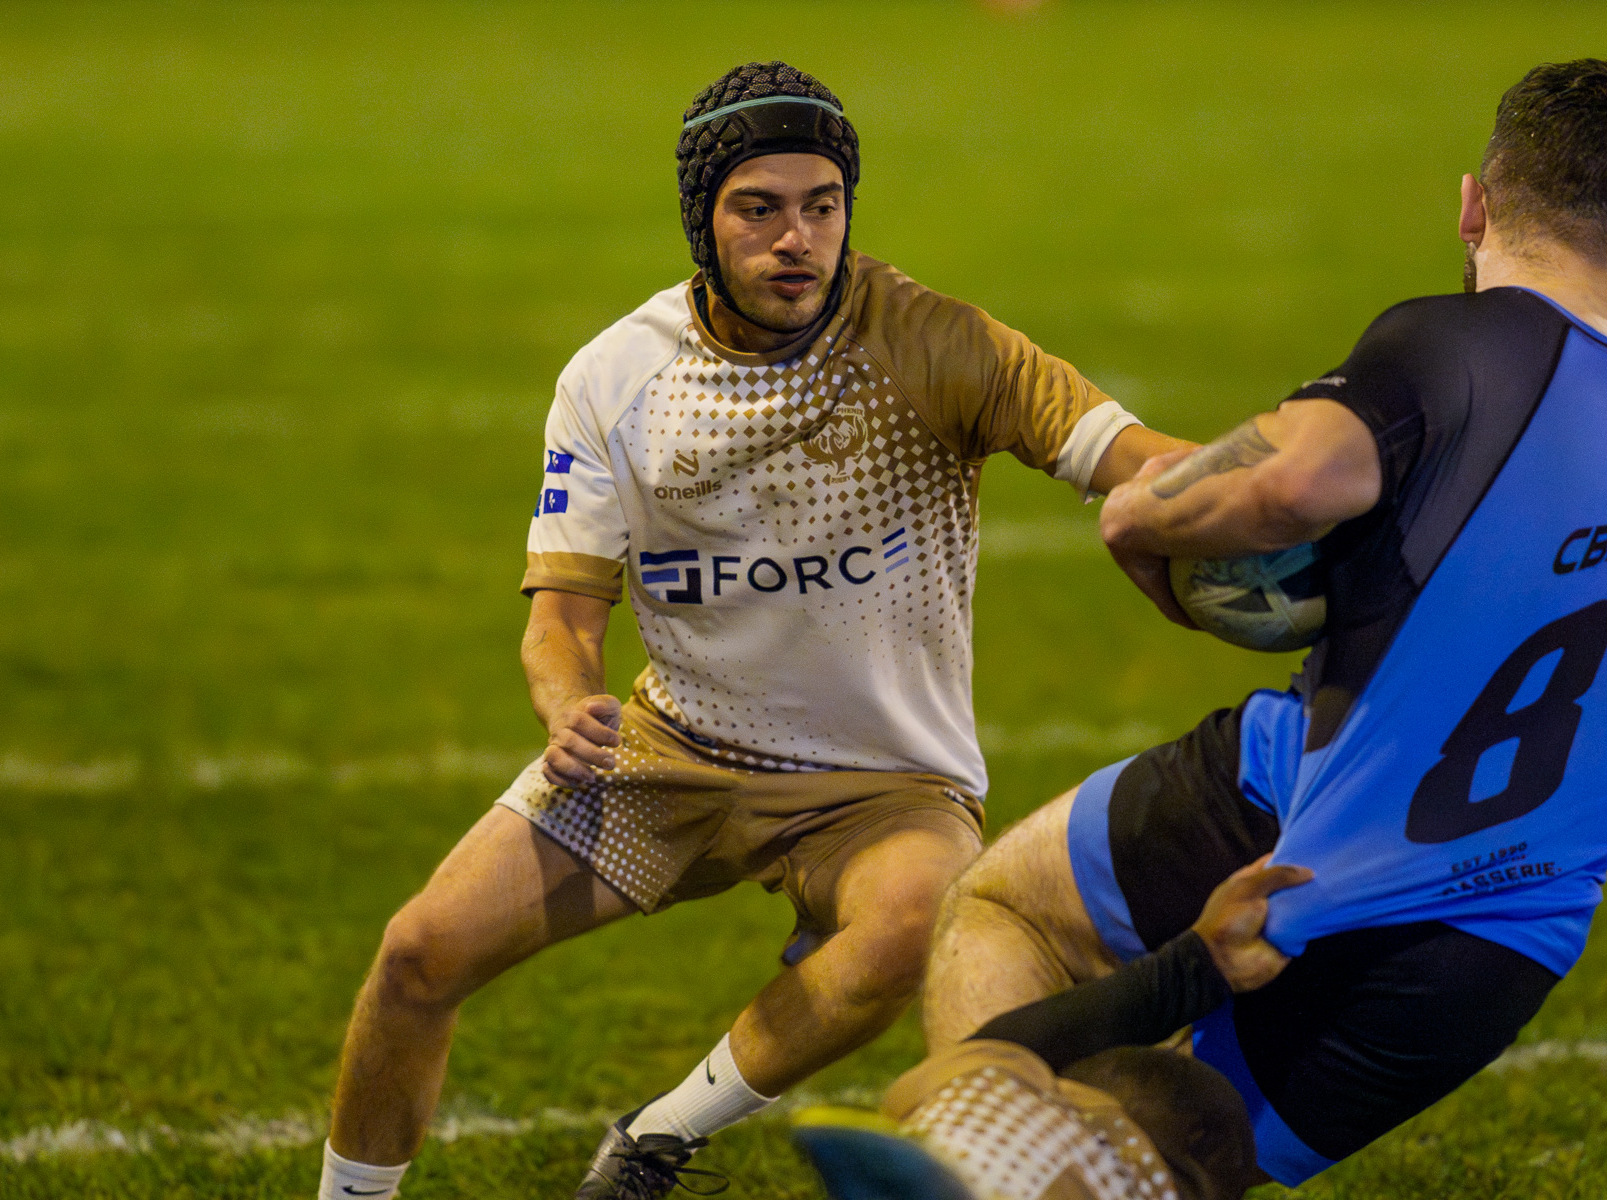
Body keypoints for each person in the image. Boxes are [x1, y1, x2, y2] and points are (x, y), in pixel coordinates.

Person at [315, 61, 1187, 1200]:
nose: (797, 240)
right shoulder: (615, 378)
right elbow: (563, 617)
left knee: (920, 916)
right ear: (702, 220)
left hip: (879, 786)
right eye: (759, 208)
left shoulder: (939, 344)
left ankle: (656, 1138)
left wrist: (1294, 481)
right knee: (418, 954)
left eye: (822, 205)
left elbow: (1148, 463)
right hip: (669, 752)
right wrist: (567, 697)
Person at [854, 58, 1607, 1197]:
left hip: (1322, 844)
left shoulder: (1458, 344)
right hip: (1496, 939)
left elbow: (1293, 483)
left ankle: (993, 1163)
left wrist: (1137, 516)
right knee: (1171, 1146)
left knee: (1012, 923)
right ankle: (1013, 1167)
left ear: (1474, 204)